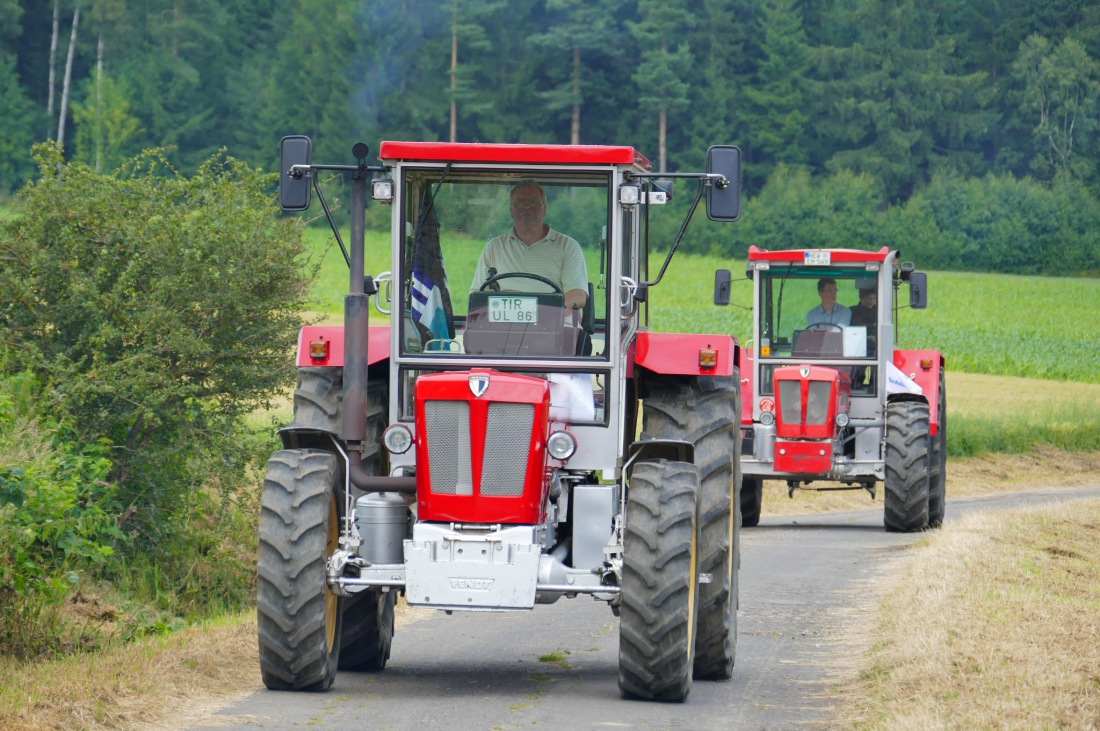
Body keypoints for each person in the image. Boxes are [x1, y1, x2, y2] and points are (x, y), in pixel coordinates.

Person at [470, 180, 588, 310]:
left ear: (545, 209)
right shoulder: (494, 247)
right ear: (511, 210)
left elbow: (578, 295)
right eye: (520, 202)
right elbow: (477, 296)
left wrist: (545, 314)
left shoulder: (568, 246)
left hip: (558, 326)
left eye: (533, 202)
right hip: (504, 327)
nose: (527, 207)